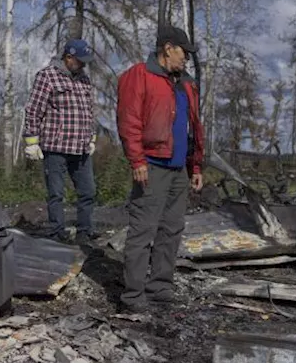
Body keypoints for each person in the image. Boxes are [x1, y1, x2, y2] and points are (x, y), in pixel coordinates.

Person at [115, 26, 205, 311]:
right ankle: (133, 295)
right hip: (152, 165)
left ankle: (160, 286)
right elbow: (128, 121)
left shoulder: (186, 83)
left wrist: (196, 165)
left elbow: (194, 127)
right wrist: (137, 160)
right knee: (143, 231)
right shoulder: (139, 76)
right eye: (184, 52)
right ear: (168, 48)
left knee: (172, 229)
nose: (186, 59)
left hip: (179, 168)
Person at [23, 38, 98, 246]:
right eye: (79, 60)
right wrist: (31, 141)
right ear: (68, 57)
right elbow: (33, 109)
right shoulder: (47, 76)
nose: (82, 65)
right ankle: (57, 233)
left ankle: (85, 231)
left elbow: (90, 111)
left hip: (81, 147)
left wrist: (91, 137)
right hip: (56, 146)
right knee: (56, 193)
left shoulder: (84, 80)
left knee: (88, 191)